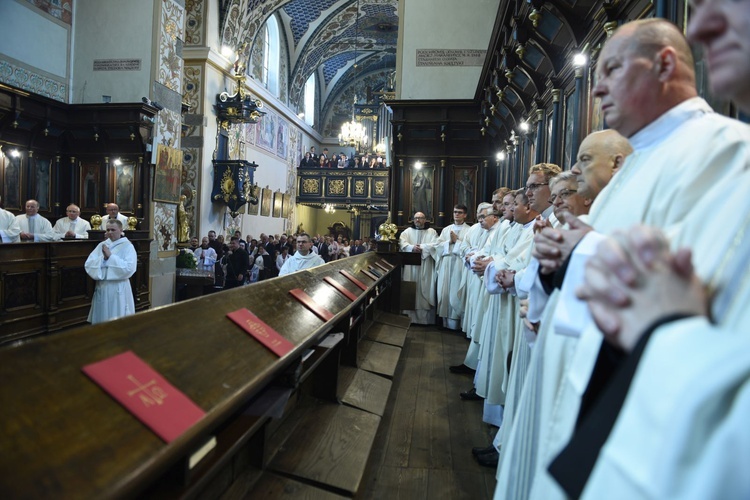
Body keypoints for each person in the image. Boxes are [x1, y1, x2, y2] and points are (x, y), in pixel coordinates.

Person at [520, 18, 750, 500]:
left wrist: (581, 253)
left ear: (664, 64)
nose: (597, 86)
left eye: (613, 69)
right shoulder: (636, 162)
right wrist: (558, 261)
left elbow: (690, 283)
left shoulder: (721, 149)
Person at [85, 220, 137, 324]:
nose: (110, 232)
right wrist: (102, 260)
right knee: (102, 315)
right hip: (103, 285)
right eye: (108, 229)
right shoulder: (102, 245)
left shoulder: (128, 246)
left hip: (118, 287)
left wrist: (110, 257)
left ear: (121, 230)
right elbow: (89, 264)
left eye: (113, 230)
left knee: (117, 313)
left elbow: (129, 268)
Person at [432, 204, 470, 330]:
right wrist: (449, 242)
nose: (456, 214)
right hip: (446, 263)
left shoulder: (470, 230)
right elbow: (437, 247)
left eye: (459, 212)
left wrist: (457, 241)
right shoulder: (446, 230)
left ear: (465, 214)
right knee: (445, 291)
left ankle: (457, 324)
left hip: (460, 264)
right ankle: (445, 323)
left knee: (456, 291)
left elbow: (470, 248)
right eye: (454, 212)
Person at [398, 211, 439, 324]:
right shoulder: (407, 232)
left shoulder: (432, 232)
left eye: (420, 218)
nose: (418, 220)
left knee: (425, 288)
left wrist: (422, 247)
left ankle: (425, 320)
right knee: (410, 286)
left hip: (426, 264)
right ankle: (408, 318)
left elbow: (436, 245)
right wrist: (412, 248)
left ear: (425, 220)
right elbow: (402, 243)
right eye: (416, 218)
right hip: (410, 265)